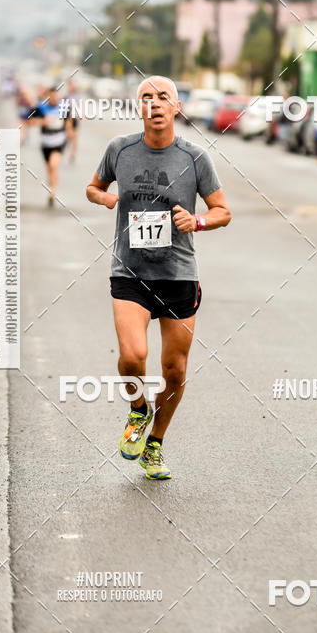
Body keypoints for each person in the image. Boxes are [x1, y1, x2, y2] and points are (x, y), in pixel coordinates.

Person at [86, 75, 231, 480]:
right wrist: (106, 197)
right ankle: (138, 411)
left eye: (163, 97)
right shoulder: (120, 150)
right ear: (138, 107)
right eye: (146, 97)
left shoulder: (196, 158)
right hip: (129, 270)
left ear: (177, 106)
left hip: (178, 274)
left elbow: (223, 210)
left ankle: (155, 444)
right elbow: (91, 187)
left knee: (175, 369)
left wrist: (197, 220)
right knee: (133, 356)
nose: (155, 103)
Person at [27, 87, 74, 207]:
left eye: (56, 96)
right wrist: (43, 122)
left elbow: (68, 121)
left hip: (59, 140)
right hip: (45, 142)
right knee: (49, 168)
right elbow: (30, 122)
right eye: (51, 96)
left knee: (53, 165)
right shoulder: (41, 108)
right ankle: (51, 187)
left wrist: (69, 132)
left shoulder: (63, 107)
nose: (54, 98)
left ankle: (52, 192)